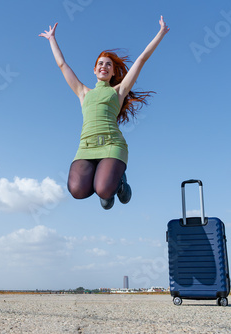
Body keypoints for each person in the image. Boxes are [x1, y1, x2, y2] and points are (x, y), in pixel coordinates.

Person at [39, 16, 170, 209]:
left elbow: (141, 59)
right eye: (100, 63)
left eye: (108, 64)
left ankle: (117, 183)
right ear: (94, 69)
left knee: (104, 190)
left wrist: (160, 33)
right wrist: (52, 40)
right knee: (77, 190)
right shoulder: (83, 92)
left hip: (111, 144)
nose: (104, 66)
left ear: (113, 72)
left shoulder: (118, 91)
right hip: (86, 147)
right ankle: (106, 181)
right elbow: (62, 65)